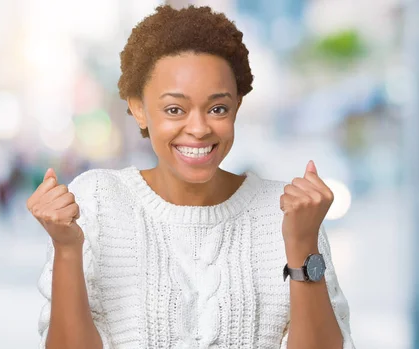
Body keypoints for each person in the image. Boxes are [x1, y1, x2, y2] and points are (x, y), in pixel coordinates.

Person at [27, 5, 354, 349]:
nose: (198, 129)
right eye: (174, 109)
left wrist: (301, 244)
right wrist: (66, 248)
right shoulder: (97, 201)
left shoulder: (287, 214)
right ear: (138, 108)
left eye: (217, 108)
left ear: (237, 106)